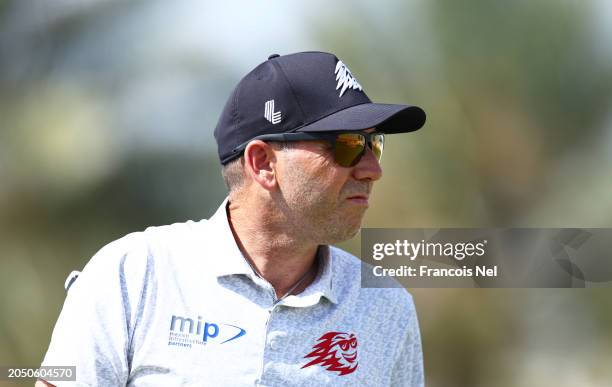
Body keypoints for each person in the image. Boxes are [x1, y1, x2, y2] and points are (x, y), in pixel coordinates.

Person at [38, 51, 426, 386]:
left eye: (374, 143)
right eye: (348, 145)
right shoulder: (132, 275)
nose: (373, 169)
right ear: (263, 164)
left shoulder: (387, 308)